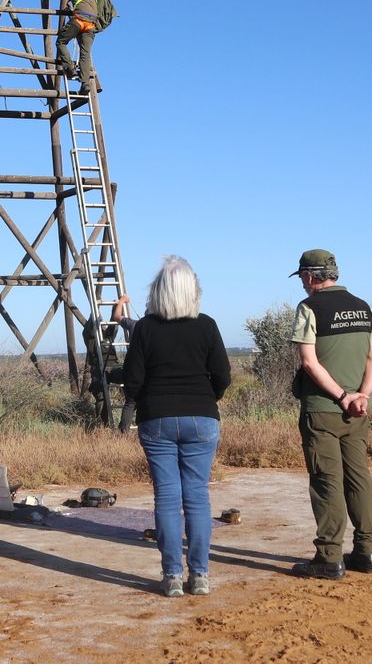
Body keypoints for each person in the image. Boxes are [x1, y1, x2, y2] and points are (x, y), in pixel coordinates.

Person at [123, 256, 232, 597]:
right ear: (193, 291)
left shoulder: (144, 328)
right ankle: (199, 575)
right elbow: (223, 376)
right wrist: (205, 400)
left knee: (167, 498)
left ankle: (171, 576)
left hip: (156, 419)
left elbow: (132, 382)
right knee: (197, 497)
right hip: (201, 418)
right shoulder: (207, 325)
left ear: (158, 291)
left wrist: (147, 402)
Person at [285, 248, 372, 580]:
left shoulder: (309, 308)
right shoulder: (363, 307)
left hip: (322, 410)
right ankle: (366, 552)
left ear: (312, 276)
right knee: (359, 478)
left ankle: (328, 557)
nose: (301, 284)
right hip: (358, 412)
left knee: (327, 480)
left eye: (301, 277)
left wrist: (341, 396)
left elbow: (309, 362)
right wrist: (361, 397)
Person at [48, 0, 100, 91]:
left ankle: (70, 69)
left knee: (61, 42)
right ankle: (85, 84)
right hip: (91, 24)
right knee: (85, 54)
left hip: (78, 20)